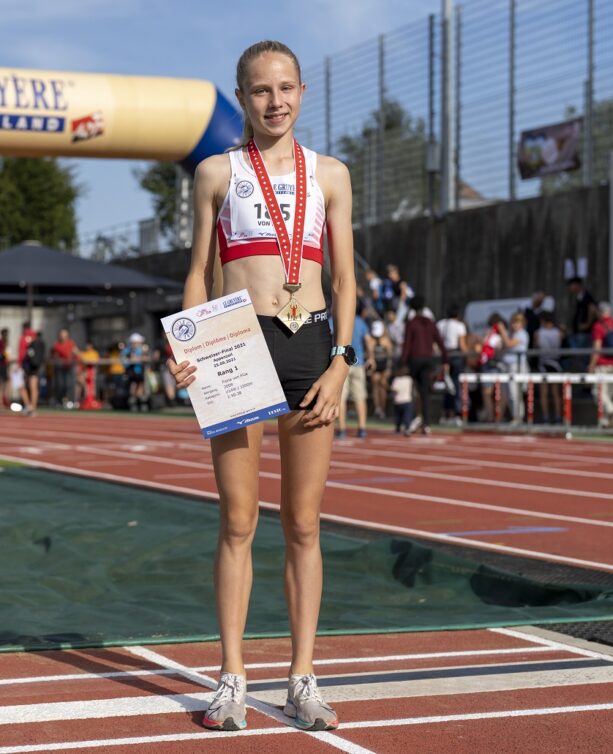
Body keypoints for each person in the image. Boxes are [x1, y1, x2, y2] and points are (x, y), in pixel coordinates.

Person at [167, 40, 354, 732]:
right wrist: (184, 345)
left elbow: (345, 280)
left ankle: (302, 678)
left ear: (302, 92)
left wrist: (342, 358)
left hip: (309, 345)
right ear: (241, 98)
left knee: (303, 522)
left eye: (285, 88)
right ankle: (232, 679)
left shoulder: (330, 174)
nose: (274, 102)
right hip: (232, 348)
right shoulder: (216, 172)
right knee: (238, 520)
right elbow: (197, 271)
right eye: (259, 91)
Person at [401, 296, 447, 434]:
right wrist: (445, 359)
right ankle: (426, 423)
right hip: (428, 359)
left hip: (415, 360)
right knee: (425, 392)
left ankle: (415, 418)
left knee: (414, 391)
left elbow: (407, 344)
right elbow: (440, 341)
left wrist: (403, 362)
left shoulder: (411, 323)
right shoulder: (430, 323)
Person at [589, 302, 613, 428]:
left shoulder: (598, 326)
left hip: (602, 365)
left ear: (600, 312)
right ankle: (604, 423)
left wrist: (591, 365)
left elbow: (597, 348)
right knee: (608, 395)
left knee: (598, 393)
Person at [336, 305, 372, 439]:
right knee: (360, 397)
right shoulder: (360, 322)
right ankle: (362, 428)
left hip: (342, 363)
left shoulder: (336, 318)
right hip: (359, 362)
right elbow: (369, 341)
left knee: (341, 398)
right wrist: (371, 357)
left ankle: (342, 429)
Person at [436, 305, 468, 424]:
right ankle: (455, 413)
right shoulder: (459, 326)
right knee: (455, 385)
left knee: (446, 385)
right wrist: (469, 356)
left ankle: (445, 413)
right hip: (455, 355)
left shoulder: (441, 324)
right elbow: (462, 345)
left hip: (444, 355)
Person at [500, 312, 530, 422]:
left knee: (515, 393)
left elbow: (508, 344)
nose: (514, 324)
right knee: (507, 394)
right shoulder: (512, 334)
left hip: (517, 366)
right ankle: (514, 416)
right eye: (513, 322)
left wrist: (502, 331)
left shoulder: (522, 334)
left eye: (516, 322)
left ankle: (518, 417)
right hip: (508, 366)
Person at [534, 311, 564, 424]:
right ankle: (557, 417)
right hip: (555, 364)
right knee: (556, 393)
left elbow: (536, 346)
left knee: (544, 393)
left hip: (545, 364)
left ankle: (546, 417)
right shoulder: (558, 332)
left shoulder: (538, 333)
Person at [567, 277, 597, 372]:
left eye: (571, 285)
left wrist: (587, 324)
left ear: (577, 285)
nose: (570, 288)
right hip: (579, 333)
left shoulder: (586, 296)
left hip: (584, 334)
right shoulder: (579, 297)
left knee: (582, 357)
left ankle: (586, 383)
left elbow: (592, 309)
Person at [367, 319, 393, 419]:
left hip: (384, 366)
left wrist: (388, 369)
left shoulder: (386, 341)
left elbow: (390, 357)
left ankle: (382, 409)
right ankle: (377, 408)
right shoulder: (371, 340)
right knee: (375, 384)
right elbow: (370, 355)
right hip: (376, 366)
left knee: (382, 384)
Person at [17, 321, 42, 415]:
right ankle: (33, 407)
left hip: (26, 365)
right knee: (33, 387)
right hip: (35, 365)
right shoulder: (35, 337)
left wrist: (19, 365)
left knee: (21, 385)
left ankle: (28, 405)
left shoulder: (23, 338)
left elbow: (21, 353)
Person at [50, 328, 79, 408]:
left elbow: (76, 353)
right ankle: (59, 402)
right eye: (62, 334)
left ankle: (71, 402)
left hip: (70, 367)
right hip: (60, 367)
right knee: (60, 385)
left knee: (70, 384)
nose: (63, 336)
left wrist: (77, 360)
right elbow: (53, 355)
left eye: (65, 334)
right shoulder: (56, 345)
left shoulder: (71, 343)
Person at [122, 333, 148, 411]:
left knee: (140, 386)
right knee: (133, 386)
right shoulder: (127, 350)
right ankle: (133, 403)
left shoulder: (141, 350)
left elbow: (145, 358)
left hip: (140, 372)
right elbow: (125, 361)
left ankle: (140, 403)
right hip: (131, 372)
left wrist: (140, 358)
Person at [390, 365, 415, 435]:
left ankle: (399, 428)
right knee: (406, 416)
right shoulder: (409, 379)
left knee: (399, 417)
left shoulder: (397, 380)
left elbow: (394, 390)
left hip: (399, 401)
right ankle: (406, 428)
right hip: (406, 402)